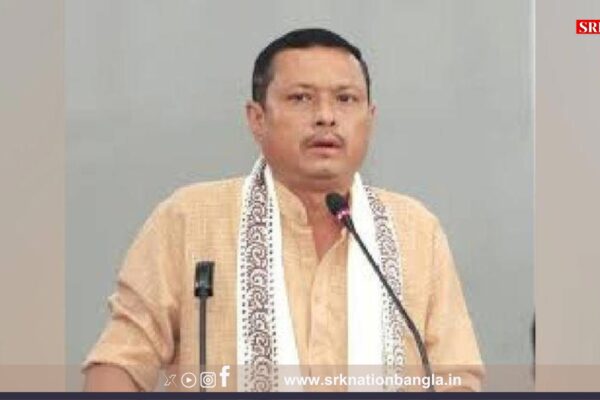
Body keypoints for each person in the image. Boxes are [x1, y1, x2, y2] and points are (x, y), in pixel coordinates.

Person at [82, 28, 484, 392]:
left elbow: (457, 378)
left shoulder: (416, 231)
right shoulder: (189, 220)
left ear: (370, 118)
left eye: (346, 99)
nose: (326, 116)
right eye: (301, 98)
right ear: (257, 119)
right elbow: (118, 362)